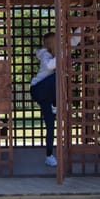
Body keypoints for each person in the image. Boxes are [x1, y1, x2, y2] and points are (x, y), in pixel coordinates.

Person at [30, 29, 82, 167]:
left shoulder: (55, 54)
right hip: (39, 90)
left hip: (47, 94)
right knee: (59, 74)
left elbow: (73, 42)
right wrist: (63, 53)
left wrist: (81, 27)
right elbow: (49, 65)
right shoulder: (45, 55)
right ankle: (57, 104)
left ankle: (49, 156)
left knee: (50, 126)